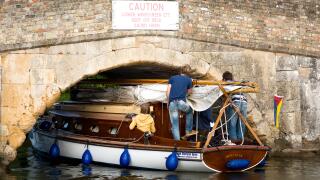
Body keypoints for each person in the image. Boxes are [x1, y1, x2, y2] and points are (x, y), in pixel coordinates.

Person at [166, 65, 193, 140]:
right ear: (188, 73)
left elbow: (168, 92)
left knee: (175, 125)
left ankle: (178, 143)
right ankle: (188, 131)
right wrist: (185, 93)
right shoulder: (189, 80)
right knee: (190, 111)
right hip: (181, 103)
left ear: (181, 71)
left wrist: (168, 102)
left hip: (172, 103)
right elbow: (190, 92)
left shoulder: (172, 78)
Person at [222, 71, 247, 141]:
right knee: (241, 123)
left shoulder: (226, 83)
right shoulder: (237, 83)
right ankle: (240, 140)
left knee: (232, 123)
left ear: (224, 78)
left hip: (235, 102)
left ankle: (234, 141)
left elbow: (224, 94)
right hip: (244, 102)